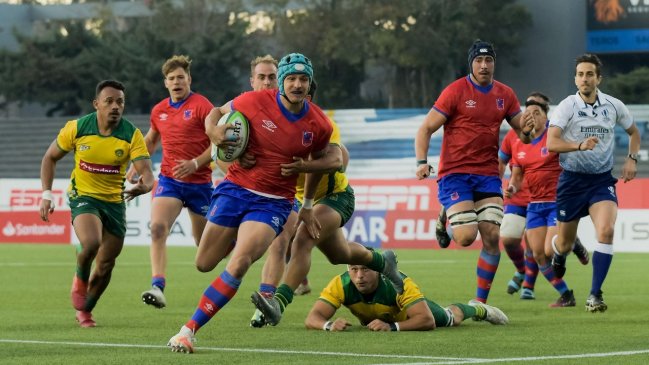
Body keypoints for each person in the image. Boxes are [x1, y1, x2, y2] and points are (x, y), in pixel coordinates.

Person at [167, 52, 337, 353]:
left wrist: (307, 199)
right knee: (204, 262)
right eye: (292, 79)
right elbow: (216, 112)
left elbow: (324, 161)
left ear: (310, 83)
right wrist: (214, 133)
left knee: (241, 261)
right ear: (282, 82)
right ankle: (240, 244)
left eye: (304, 80)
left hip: (273, 202)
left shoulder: (319, 123)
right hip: (235, 189)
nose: (297, 85)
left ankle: (187, 331)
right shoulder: (254, 101)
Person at [250, 78, 403, 328]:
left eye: (303, 93)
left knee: (302, 240)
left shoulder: (322, 125)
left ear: (309, 99)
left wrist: (306, 177)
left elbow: (338, 160)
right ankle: (382, 262)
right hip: (302, 200)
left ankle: (278, 303)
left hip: (337, 197)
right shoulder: (274, 126)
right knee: (339, 255)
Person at [414, 39, 534, 303]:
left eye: (488, 60)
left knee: (492, 236)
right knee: (466, 237)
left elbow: (523, 138)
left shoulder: (505, 94)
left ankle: (480, 302)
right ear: (471, 63)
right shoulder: (455, 91)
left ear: (494, 63)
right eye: (478, 61)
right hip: (455, 174)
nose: (484, 65)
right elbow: (425, 129)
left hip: (488, 174)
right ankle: (446, 212)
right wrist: (421, 161)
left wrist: (527, 129)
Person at [39, 80, 154, 327]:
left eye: (120, 102)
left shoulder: (131, 134)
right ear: (96, 104)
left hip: (114, 202)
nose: (115, 106)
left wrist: (146, 184)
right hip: (84, 196)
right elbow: (50, 158)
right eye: (109, 101)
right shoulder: (78, 128)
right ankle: (79, 278)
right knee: (91, 242)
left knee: (105, 265)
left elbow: (147, 172)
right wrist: (46, 195)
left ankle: (86, 310)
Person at [547, 53, 641, 312]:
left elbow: (634, 132)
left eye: (589, 74)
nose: (584, 79)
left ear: (598, 78)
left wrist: (632, 158)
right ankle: (561, 250)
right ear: (575, 79)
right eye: (580, 74)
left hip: (601, 181)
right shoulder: (567, 106)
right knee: (564, 244)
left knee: (606, 231)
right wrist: (578, 145)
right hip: (571, 182)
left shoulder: (613, 105)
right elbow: (551, 143)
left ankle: (595, 294)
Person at [129, 55, 215, 309]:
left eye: (181, 77)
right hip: (170, 181)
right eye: (171, 78)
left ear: (189, 79)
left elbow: (217, 144)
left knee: (205, 251)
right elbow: (151, 140)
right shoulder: (159, 110)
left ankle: (241, 244)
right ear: (165, 83)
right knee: (157, 228)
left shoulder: (202, 106)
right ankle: (158, 286)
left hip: (200, 184)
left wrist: (195, 163)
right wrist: (136, 166)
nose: (176, 82)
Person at [507, 97, 581, 307]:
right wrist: (512, 187)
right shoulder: (519, 143)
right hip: (534, 205)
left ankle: (571, 240)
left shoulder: (554, 137)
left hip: (556, 202)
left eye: (537, 113)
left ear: (546, 117)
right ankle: (566, 295)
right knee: (539, 255)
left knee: (550, 251)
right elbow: (517, 175)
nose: (532, 116)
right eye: (528, 113)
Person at [305, 264, 508, 332]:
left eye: (365, 269)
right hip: (381, 319)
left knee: (450, 318)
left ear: (377, 271)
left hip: (411, 314)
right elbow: (313, 317)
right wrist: (328, 325)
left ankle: (479, 308)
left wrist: (392, 327)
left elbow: (427, 321)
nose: (359, 276)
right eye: (354, 269)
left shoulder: (397, 283)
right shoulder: (341, 283)